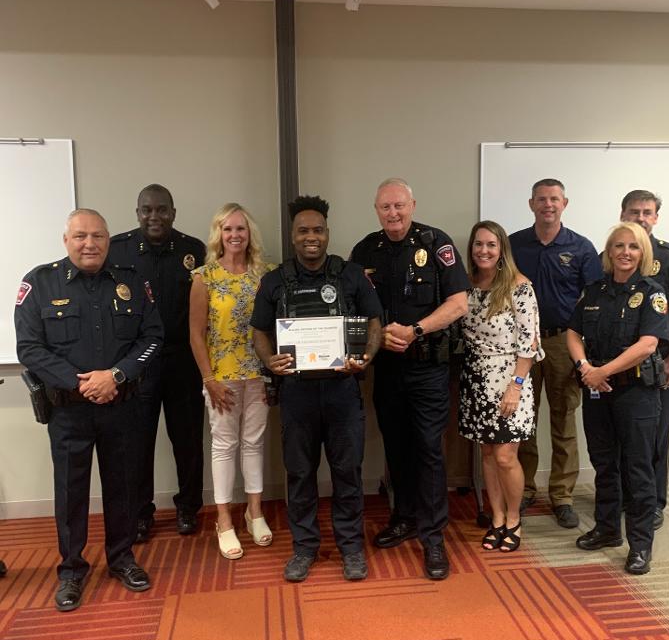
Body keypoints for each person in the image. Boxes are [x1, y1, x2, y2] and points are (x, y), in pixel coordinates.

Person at [14, 209, 163, 611]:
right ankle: (72, 570)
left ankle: (122, 558)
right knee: (71, 492)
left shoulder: (132, 281)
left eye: (98, 236)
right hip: (69, 412)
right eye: (80, 236)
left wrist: (115, 375)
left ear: (108, 240)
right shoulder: (39, 283)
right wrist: (80, 382)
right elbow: (29, 348)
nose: (89, 244)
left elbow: (152, 337)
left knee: (123, 487)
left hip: (121, 405)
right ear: (66, 240)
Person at [251, 195, 382, 583]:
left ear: (327, 233)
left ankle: (351, 547)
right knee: (299, 474)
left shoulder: (351, 275)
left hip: (342, 391)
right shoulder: (275, 280)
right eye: (304, 230)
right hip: (297, 394)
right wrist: (269, 360)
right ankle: (304, 548)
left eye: (318, 230)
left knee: (348, 472)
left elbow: (374, 322)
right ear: (293, 236)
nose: (312, 237)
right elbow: (259, 330)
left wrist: (366, 357)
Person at [350, 179, 469, 580]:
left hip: (428, 368)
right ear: (376, 210)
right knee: (397, 447)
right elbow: (353, 308)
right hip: (386, 369)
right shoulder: (365, 251)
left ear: (412, 205)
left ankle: (433, 537)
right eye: (385, 207)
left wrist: (416, 330)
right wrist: (374, 339)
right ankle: (404, 518)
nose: (393, 213)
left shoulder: (436, 243)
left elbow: (459, 303)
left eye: (399, 205)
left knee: (428, 449)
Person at [567, 222, 669, 575]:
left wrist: (602, 371)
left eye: (633, 246)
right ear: (609, 252)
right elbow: (573, 332)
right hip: (598, 391)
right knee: (604, 462)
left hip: (636, 393)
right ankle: (607, 529)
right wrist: (585, 367)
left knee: (637, 469)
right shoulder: (594, 291)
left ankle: (640, 545)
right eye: (619, 246)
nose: (626, 252)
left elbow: (648, 345)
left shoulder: (652, 293)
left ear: (643, 253)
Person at [110, 184, 205, 541]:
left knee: (188, 439)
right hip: (139, 363)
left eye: (162, 209)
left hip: (183, 360)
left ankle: (188, 507)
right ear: (137, 213)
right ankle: (140, 513)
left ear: (173, 213)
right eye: (147, 210)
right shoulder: (118, 250)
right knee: (137, 442)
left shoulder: (193, 250)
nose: (154, 216)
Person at [509, 179, 603, 528]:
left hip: (564, 341)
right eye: (541, 199)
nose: (548, 205)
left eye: (554, 199)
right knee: (523, 419)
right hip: (521, 344)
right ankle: (524, 489)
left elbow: (593, 300)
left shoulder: (581, 247)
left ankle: (562, 496)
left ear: (565, 203)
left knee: (564, 418)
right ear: (531, 204)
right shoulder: (514, 244)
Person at [190, 204, 272, 560]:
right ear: (218, 234)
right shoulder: (204, 277)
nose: (235, 235)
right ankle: (223, 519)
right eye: (227, 229)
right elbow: (195, 333)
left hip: (258, 373)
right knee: (224, 445)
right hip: (220, 377)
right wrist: (208, 379)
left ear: (249, 233)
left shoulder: (266, 275)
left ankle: (255, 512)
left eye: (240, 228)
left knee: (254, 443)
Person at [459, 221, 543, 552]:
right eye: (478, 244)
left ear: (502, 250)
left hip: (510, 379)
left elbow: (529, 343)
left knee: (506, 455)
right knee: (488, 454)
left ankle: (513, 519)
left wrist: (516, 386)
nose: (484, 251)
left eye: (491, 245)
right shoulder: (465, 285)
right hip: (475, 378)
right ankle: (496, 518)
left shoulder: (519, 287)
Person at [619, 190, 669, 529]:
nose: (640, 218)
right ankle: (626, 498)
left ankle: (653, 503)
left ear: (655, 217)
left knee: (655, 434)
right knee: (621, 432)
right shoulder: (610, 256)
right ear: (622, 214)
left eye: (647, 212)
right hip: (619, 361)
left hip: (659, 362)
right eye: (634, 211)